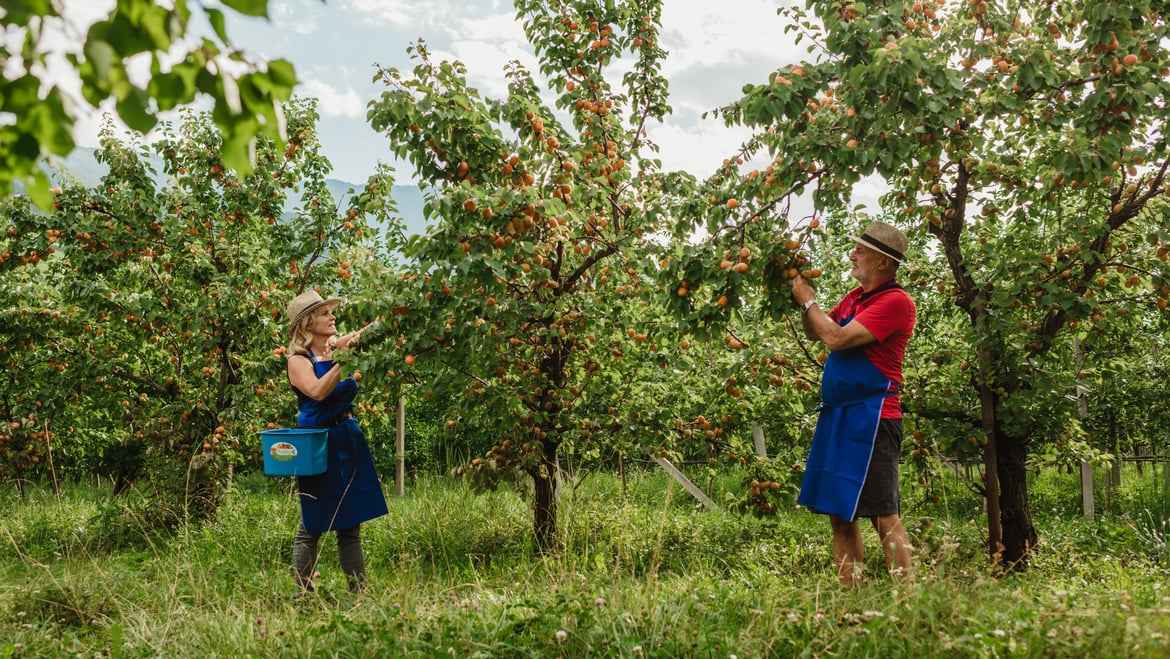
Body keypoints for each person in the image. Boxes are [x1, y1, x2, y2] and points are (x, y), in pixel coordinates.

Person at [790, 220, 916, 586]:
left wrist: (809, 300)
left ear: (883, 262)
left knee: (882, 514)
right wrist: (806, 305)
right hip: (841, 418)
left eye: (860, 250)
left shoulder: (895, 301)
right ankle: (851, 594)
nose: (852, 255)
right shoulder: (856, 298)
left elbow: (836, 338)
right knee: (839, 514)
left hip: (872, 418)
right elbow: (816, 330)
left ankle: (909, 596)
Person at [284, 289, 388, 594]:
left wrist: (394, 308)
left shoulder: (335, 347)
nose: (333, 317)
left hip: (346, 437)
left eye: (332, 312)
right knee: (312, 522)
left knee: (350, 523)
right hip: (318, 442)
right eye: (325, 313)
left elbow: (370, 332)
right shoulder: (298, 360)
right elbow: (317, 391)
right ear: (308, 323)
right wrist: (341, 362)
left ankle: (359, 593)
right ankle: (303, 593)